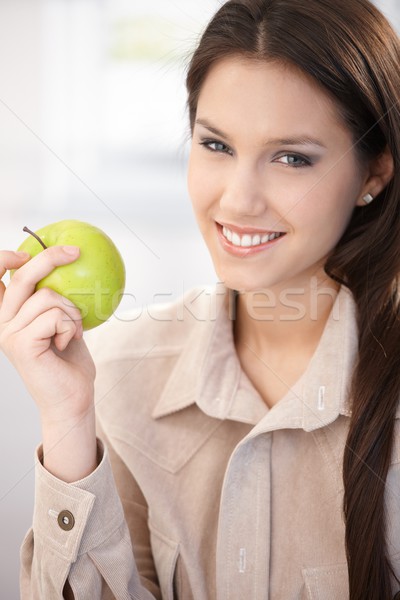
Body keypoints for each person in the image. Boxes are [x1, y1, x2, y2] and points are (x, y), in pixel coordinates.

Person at [1, 0, 399, 598]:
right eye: (216, 145)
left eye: (292, 158)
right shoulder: (117, 373)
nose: (237, 201)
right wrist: (69, 422)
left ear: (374, 174)